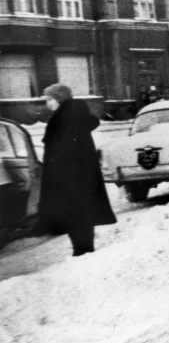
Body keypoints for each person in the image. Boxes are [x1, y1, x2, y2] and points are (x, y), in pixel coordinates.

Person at [38, 84, 117, 256]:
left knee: (74, 211)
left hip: (69, 174)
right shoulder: (73, 114)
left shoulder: (64, 117)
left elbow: (61, 149)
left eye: (49, 100)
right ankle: (83, 248)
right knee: (81, 211)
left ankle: (81, 250)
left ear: (58, 99)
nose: (47, 104)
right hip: (80, 173)